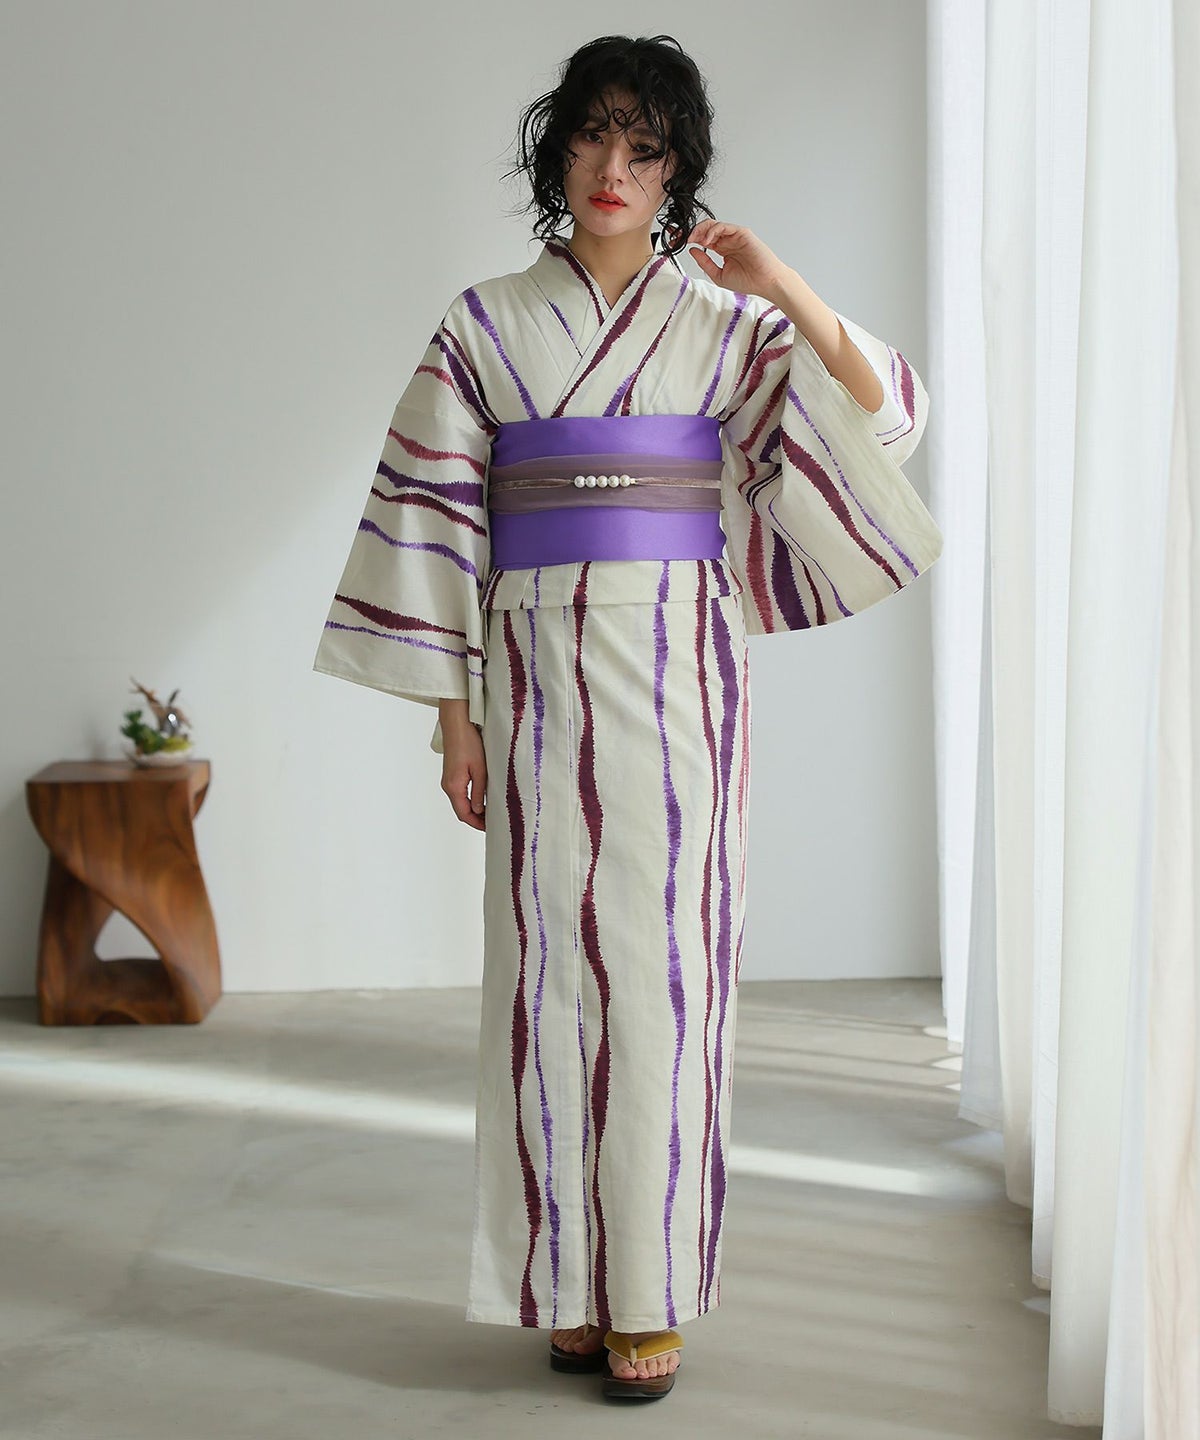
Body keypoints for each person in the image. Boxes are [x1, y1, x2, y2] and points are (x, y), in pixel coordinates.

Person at [313, 33, 942, 1402]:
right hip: (533, 675)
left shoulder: (722, 325)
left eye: (646, 147)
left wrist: (776, 281)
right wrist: (452, 720)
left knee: (667, 979)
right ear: (557, 152)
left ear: (677, 172)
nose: (614, 167)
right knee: (545, 976)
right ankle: (566, 1282)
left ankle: (650, 1288)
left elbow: (885, 414)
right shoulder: (484, 324)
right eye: (594, 136)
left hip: (679, 677)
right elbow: (436, 523)